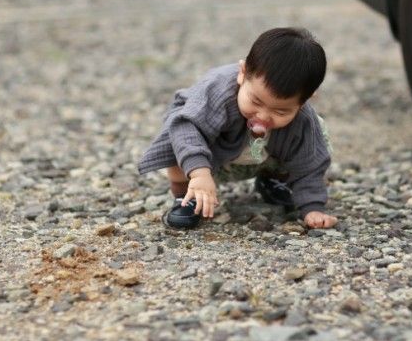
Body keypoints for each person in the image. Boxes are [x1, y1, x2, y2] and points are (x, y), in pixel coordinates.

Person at [138, 27, 337, 230]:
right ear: (242, 74)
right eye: (256, 101)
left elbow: (310, 162)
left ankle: (273, 181)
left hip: (260, 154)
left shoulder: (302, 118)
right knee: (178, 134)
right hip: (209, 156)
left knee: (316, 135)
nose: (263, 116)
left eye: (280, 111)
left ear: (305, 101)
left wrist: (313, 207)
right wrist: (199, 174)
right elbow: (186, 128)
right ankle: (186, 197)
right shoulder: (217, 91)